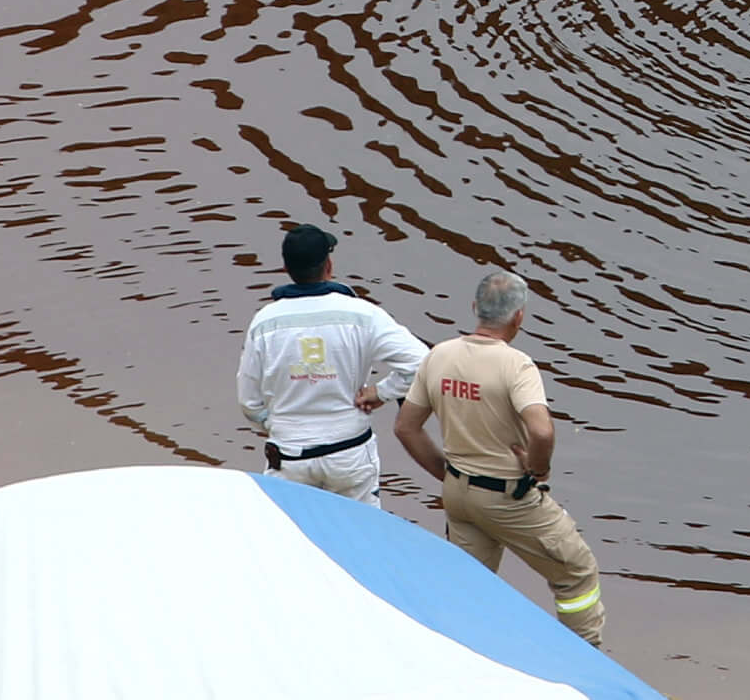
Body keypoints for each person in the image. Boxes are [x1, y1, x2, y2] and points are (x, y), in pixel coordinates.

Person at [396, 270, 613, 650]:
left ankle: (464, 660)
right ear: (519, 317)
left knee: (469, 590)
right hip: (508, 498)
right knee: (576, 573)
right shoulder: (517, 366)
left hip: (460, 497)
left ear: (476, 308)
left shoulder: (439, 355)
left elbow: (406, 428)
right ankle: (585, 666)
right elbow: (542, 431)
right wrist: (538, 466)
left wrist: (447, 475)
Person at [235, 222, 427, 508]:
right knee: (360, 541)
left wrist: (278, 425)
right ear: (329, 265)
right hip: (350, 453)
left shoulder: (265, 322)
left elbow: (248, 401)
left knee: (293, 540)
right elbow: (422, 364)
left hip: (290, 458)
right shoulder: (362, 314)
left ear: (286, 269)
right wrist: (382, 392)